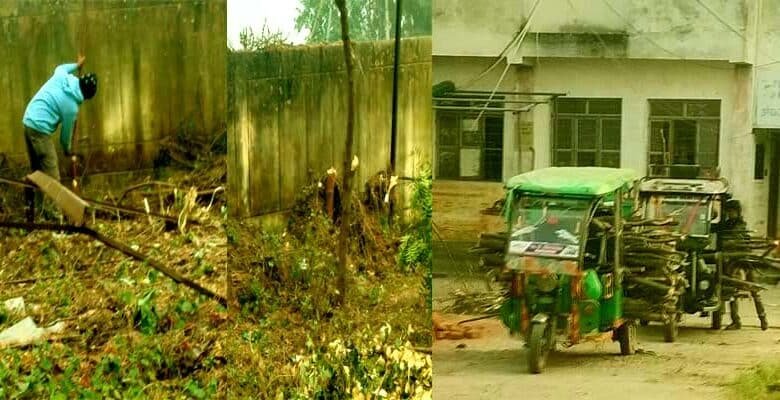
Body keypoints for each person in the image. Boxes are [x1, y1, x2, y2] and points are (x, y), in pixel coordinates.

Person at [22, 55, 97, 220]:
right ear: (86, 96)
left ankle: (36, 214)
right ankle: (56, 220)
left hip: (28, 120)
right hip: (40, 129)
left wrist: (76, 65)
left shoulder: (62, 76)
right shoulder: (71, 108)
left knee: (37, 173)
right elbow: (64, 137)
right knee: (52, 178)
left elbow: (62, 67)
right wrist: (68, 150)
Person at [720, 199, 769, 331]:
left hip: (744, 261)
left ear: (737, 211)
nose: (730, 214)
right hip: (732, 261)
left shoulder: (740, 225)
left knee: (754, 290)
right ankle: (736, 321)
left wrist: (730, 242)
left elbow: (736, 240)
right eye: (729, 211)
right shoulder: (726, 224)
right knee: (733, 292)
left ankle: (763, 319)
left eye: (732, 211)